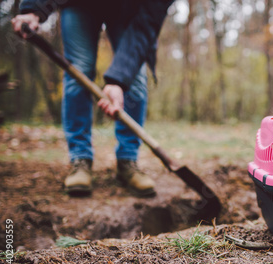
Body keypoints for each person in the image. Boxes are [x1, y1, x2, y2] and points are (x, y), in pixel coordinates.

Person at [12, 0, 175, 197]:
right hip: (78, 4)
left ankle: (127, 160)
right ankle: (80, 159)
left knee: (135, 78)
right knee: (78, 71)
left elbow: (148, 21)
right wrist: (34, 9)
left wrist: (118, 81)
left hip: (130, 8)